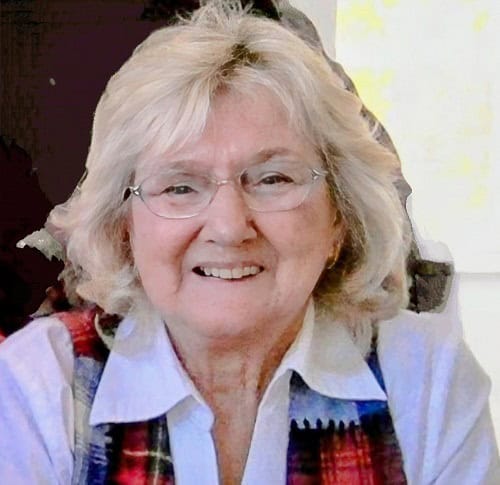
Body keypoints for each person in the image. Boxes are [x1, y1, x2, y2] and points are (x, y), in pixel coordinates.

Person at [0, 1, 498, 483]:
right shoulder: (38, 385)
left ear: (339, 219)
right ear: (125, 225)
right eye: (180, 186)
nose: (229, 226)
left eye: (273, 178)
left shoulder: (426, 382)